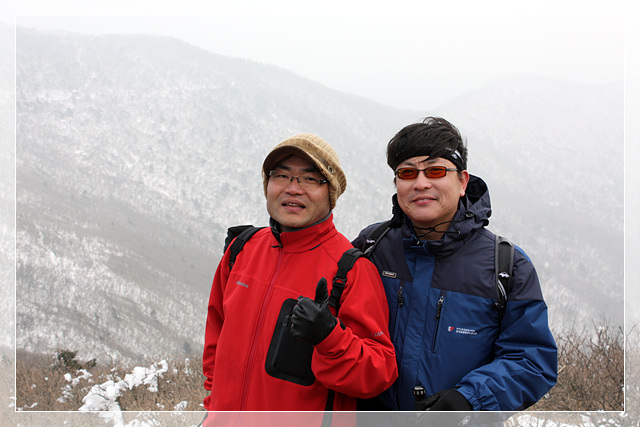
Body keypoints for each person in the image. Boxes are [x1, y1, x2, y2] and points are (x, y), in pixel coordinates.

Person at [353, 117, 557, 412]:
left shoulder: (506, 266)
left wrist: (469, 400)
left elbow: (531, 360)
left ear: (462, 181)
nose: (421, 183)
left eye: (435, 170)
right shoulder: (372, 247)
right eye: (407, 173)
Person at [202, 133, 398, 413]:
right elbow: (216, 341)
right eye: (281, 176)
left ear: (330, 194)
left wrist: (330, 336)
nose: (293, 189)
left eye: (310, 179)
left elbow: (378, 373)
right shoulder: (241, 249)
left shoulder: (350, 270)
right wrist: (213, 409)